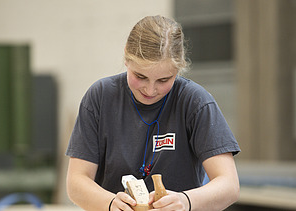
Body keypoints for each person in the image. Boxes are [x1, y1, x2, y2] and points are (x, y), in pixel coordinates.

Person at [66, 15, 240, 211]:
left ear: (178, 69)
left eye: (164, 80)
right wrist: (109, 203)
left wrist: (185, 201)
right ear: (126, 57)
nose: (150, 90)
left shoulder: (195, 102)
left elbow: (229, 185)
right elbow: (76, 182)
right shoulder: (100, 97)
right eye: (140, 76)